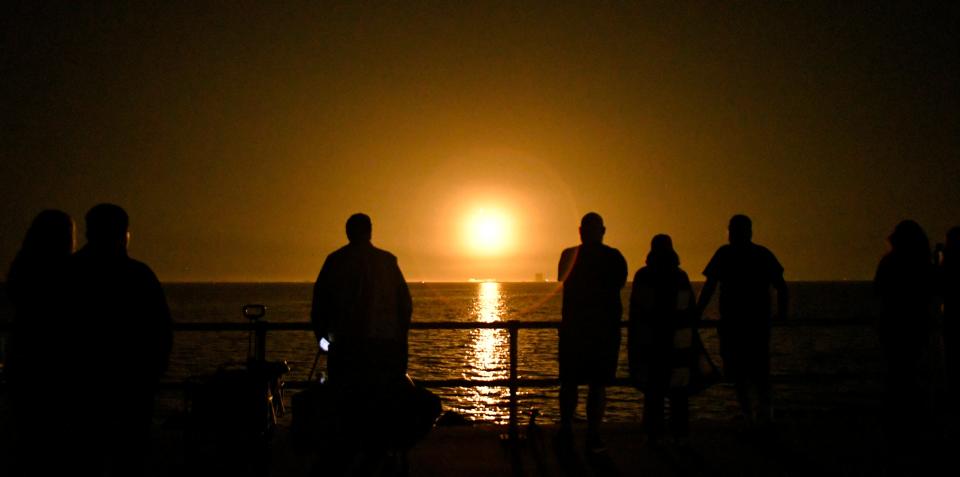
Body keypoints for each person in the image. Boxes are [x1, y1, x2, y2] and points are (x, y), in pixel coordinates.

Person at [66, 203, 173, 476]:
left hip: (80, 386)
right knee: (129, 455)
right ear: (124, 233)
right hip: (133, 384)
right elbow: (160, 329)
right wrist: (152, 371)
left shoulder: (69, 274)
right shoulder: (140, 276)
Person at [310, 213, 414, 473]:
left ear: (348, 232)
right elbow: (405, 305)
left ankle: (349, 452)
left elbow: (320, 304)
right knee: (380, 401)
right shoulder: (388, 262)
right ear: (370, 231)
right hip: (383, 347)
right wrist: (400, 340)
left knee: (348, 402)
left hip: (346, 347)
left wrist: (323, 338)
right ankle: (378, 452)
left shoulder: (335, 261)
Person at [696, 214, 788, 428]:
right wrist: (782, 313)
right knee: (757, 370)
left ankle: (751, 413)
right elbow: (781, 286)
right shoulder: (762, 254)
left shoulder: (725, 254)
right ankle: (762, 414)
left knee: (740, 371)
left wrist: (698, 313)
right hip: (756, 323)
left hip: (735, 322)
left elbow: (710, 286)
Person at [4, 210, 75, 477]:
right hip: (57, 366)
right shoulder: (68, 273)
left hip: (23, 358)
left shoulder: (22, 270)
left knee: (28, 432)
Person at [556, 212, 628, 452]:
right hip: (602, 330)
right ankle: (591, 434)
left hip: (577, 329)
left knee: (572, 384)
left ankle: (568, 430)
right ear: (602, 231)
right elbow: (617, 285)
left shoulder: (568, 256)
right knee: (595, 386)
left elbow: (563, 282)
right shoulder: (615, 257)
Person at [874, 220, 941, 469]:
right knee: (912, 372)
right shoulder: (924, 266)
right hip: (916, 325)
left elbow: (878, 290)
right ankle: (913, 421)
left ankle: (897, 424)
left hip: (892, 324)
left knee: (896, 373)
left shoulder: (889, 262)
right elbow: (938, 286)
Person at [628, 234, 697, 442]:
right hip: (677, 343)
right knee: (678, 391)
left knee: (653, 390)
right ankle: (680, 432)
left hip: (651, 341)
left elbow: (636, 309)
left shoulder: (643, 276)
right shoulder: (681, 276)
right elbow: (690, 308)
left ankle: (653, 431)